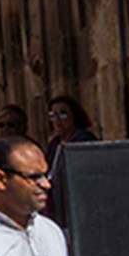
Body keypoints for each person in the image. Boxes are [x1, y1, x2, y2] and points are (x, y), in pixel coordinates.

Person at [42, 96, 96, 226]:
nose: (58, 120)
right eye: (53, 115)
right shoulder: (54, 144)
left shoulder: (83, 140)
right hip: (56, 204)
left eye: (63, 114)